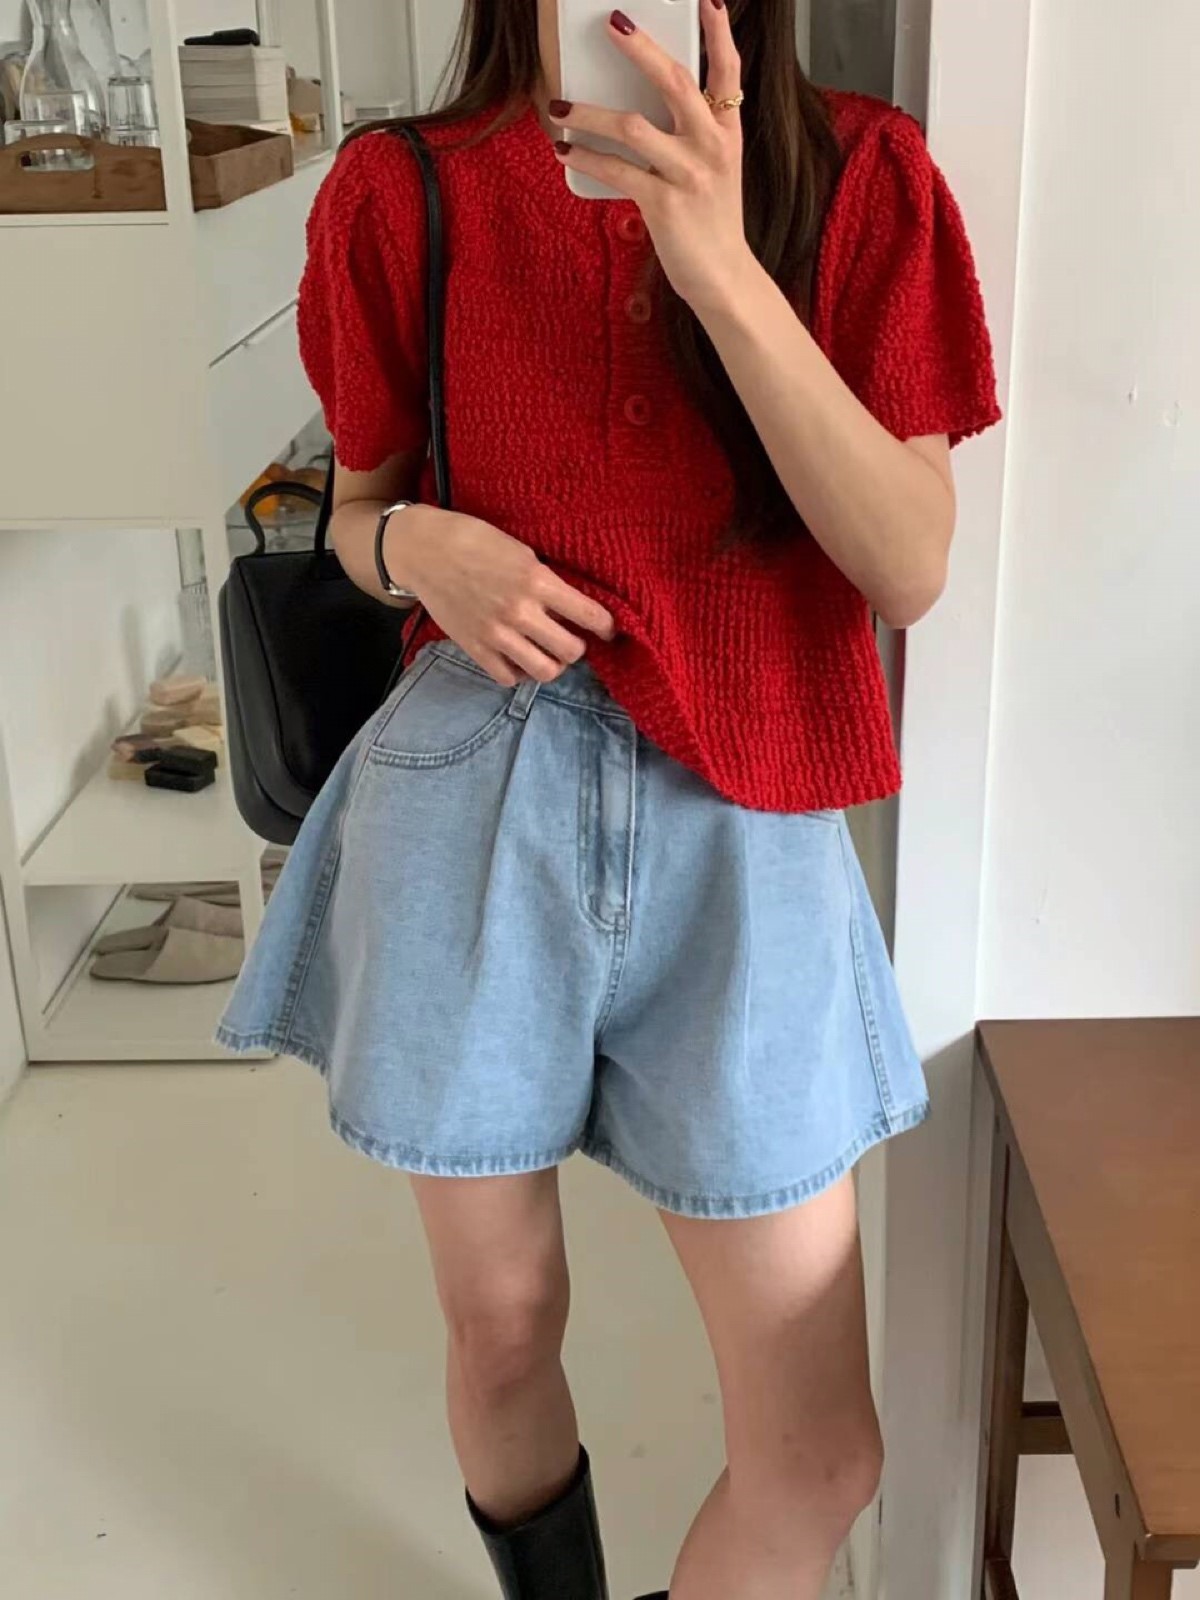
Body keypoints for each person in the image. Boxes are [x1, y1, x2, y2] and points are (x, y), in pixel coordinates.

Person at [217, 2, 1001, 1596]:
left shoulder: (861, 178)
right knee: (503, 1326)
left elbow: (908, 563)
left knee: (821, 1452)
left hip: (747, 810)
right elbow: (358, 514)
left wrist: (716, 262)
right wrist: (415, 545)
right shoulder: (403, 187)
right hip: (472, 793)